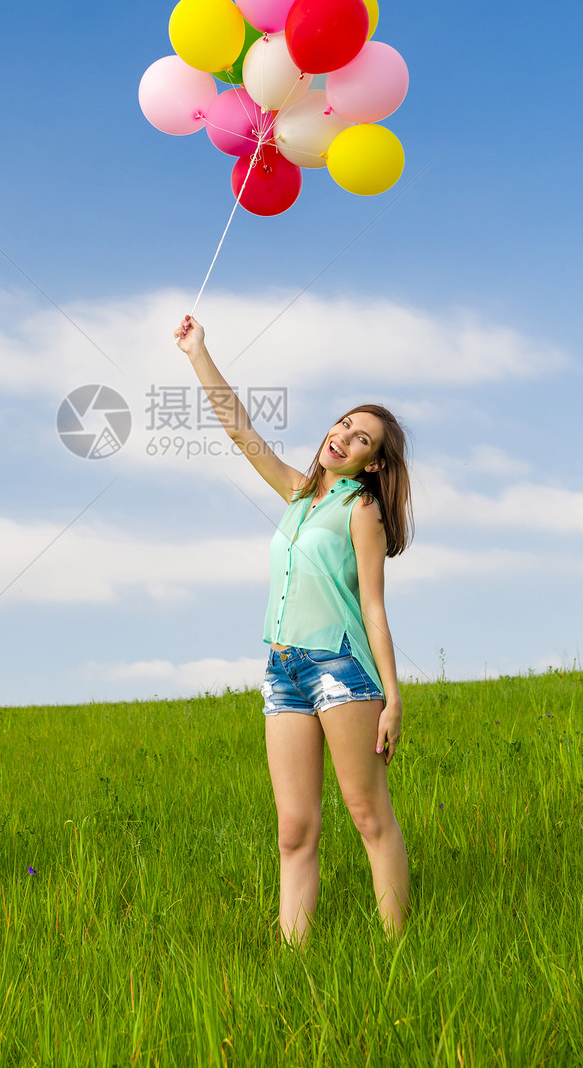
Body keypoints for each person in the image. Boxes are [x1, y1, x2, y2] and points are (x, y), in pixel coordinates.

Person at [174, 313, 413, 943]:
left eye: (362, 438)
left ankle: (398, 952)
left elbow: (374, 608)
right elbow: (239, 428)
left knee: (368, 815)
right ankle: (295, 961)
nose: (344, 436)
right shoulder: (299, 496)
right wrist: (199, 352)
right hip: (281, 670)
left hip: (340, 667)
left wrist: (392, 697)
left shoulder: (361, 510)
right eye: (344, 424)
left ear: (372, 464)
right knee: (293, 829)